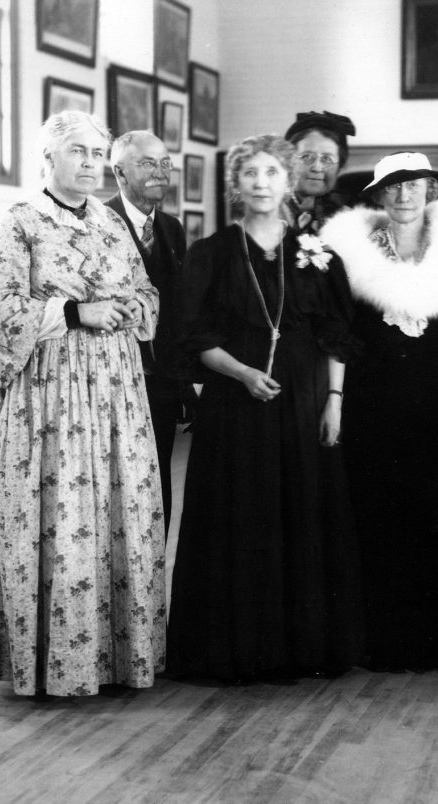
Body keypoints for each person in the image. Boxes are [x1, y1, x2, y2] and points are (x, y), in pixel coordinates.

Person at [0, 111, 166, 697]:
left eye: (97, 153)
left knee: (116, 511)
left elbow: (147, 293)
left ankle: (115, 661)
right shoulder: (21, 222)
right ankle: (52, 667)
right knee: (61, 517)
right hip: (49, 396)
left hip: (115, 392)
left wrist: (133, 308)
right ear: (48, 158)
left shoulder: (111, 222)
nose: (89, 163)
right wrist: (77, 312)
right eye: (77, 151)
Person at [166, 134, 362, 683]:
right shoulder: (210, 254)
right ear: (235, 184)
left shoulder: (316, 253)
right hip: (235, 401)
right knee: (240, 513)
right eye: (249, 173)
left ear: (288, 181)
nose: (260, 183)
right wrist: (241, 373)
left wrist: (336, 404)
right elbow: (191, 334)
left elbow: (335, 336)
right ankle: (237, 650)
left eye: (271, 172)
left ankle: (300, 649)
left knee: (299, 509)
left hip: (302, 400)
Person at [319, 152, 438, 672]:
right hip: (375, 408)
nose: (406, 195)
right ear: (379, 195)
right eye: (394, 187)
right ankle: (381, 642)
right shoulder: (349, 257)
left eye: (416, 185)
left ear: (432, 192)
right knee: (379, 522)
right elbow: (337, 332)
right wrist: (338, 401)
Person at [106, 130, 187, 531]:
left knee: (159, 487)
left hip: (163, 387)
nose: (160, 172)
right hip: (114, 385)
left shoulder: (172, 229)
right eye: (148, 163)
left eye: (165, 163)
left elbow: (177, 311)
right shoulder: (97, 223)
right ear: (119, 172)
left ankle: (153, 586)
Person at [282, 111, 356, 235]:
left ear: (340, 167)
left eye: (327, 159)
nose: (317, 167)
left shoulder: (347, 215)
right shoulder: (269, 209)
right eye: (306, 157)